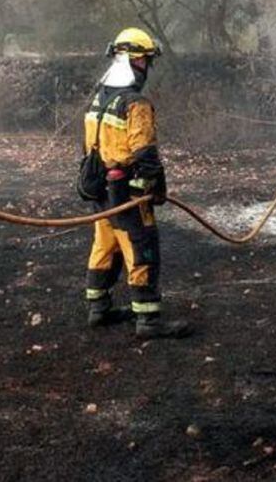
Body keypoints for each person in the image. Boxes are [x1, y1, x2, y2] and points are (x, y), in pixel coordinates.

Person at [82, 28, 191, 339]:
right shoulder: (134, 103)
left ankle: (98, 308)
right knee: (141, 248)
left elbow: (91, 147)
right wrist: (155, 186)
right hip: (127, 193)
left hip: (100, 189)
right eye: (144, 61)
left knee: (105, 246)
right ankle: (148, 321)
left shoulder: (98, 100)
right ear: (132, 61)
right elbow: (145, 153)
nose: (146, 68)